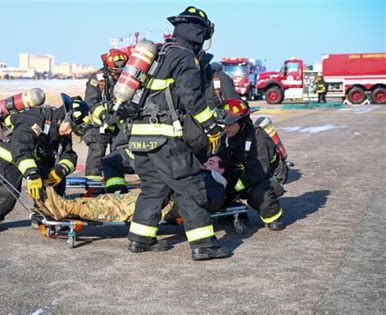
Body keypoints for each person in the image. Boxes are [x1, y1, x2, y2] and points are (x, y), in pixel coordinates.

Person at [125, 6, 229, 261]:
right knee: (190, 186)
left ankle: (139, 238)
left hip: (139, 137)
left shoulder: (160, 54)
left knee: (154, 188)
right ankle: (204, 245)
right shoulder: (184, 57)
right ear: (200, 34)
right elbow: (191, 99)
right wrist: (211, 126)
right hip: (164, 137)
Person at [0, 98, 81, 232]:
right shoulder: (34, 119)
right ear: (65, 119)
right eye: (72, 128)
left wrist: (59, 171)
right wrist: (32, 175)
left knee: (54, 179)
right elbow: (20, 149)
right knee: (9, 191)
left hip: (27, 155)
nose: (70, 133)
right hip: (3, 152)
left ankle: (42, 214)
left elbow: (69, 155)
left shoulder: (61, 128)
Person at [36, 155, 230, 222]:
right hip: (160, 197)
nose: (206, 163)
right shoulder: (202, 175)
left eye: (211, 162)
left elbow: (206, 202)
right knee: (110, 201)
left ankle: (64, 207)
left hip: (169, 204)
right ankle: (61, 205)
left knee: (116, 207)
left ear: (221, 169)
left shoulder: (216, 183)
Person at [217, 98, 286, 231]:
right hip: (243, 175)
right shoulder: (226, 138)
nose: (226, 128)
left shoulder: (258, 138)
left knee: (258, 193)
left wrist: (233, 188)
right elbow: (222, 161)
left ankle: (273, 215)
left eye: (230, 124)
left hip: (267, 177)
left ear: (242, 122)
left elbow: (258, 170)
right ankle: (236, 213)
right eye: (224, 125)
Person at [83, 49, 129, 182]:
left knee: (117, 156)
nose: (118, 75)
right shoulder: (97, 79)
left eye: (121, 71)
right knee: (96, 156)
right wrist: (104, 115)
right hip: (99, 125)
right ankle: (93, 188)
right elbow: (90, 102)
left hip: (118, 124)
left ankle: (116, 187)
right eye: (115, 71)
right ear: (108, 68)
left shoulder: (126, 78)